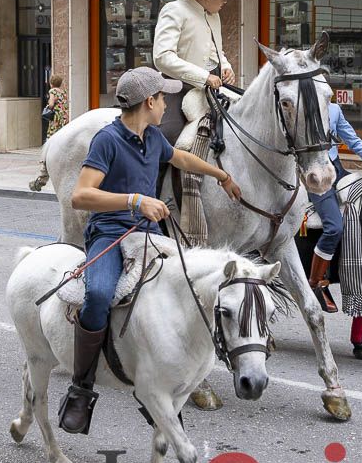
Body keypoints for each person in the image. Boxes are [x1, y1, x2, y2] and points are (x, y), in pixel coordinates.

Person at [59, 66, 243, 435]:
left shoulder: (153, 136)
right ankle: (81, 388)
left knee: (189, 286)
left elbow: (180, 158)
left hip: (147, 236)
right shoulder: (107, 141)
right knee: (97, 295)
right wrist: (135, 200)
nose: (167, 104)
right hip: (109, 234)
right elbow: (81, 196)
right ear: (149, 102)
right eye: (163, 98)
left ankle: (159, 377)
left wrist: (220, 175)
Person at [152, 0, 239, 148]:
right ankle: (151, 178)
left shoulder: (214, 16)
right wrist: (204, 76)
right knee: (165, 137)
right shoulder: (174, 10)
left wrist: (225, 65)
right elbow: (162, 57)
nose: (225, 1)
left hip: (214, 88)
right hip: (178, 89)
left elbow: (215, 50)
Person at [307, 103, 362, 314]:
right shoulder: (302, 109)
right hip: (314, 174)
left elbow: (352, 139)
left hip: (336, 169)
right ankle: (316, 283)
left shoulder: (334, 110)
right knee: (334, 227)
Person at [29, 74, 69, 191]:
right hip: (64, 117)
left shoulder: (53, 91)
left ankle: (46, 163)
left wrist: (48, 107)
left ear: (51, 83)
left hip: (56, 118)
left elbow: (51, 104)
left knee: (51, 139)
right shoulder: (63, 92)